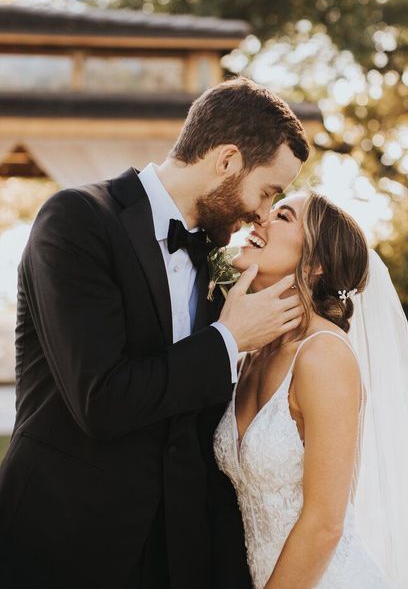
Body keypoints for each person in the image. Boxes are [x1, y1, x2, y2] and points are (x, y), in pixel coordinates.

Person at [0, 77, 309, 589]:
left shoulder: (219, 260)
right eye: (268, 190)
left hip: (170, 553)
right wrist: (229, 341)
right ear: (227, 160)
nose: (262, 213)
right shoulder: (77, 220)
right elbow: (101, 399)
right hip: (63, 539)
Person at [214, 192, 408, 589]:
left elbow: (324, 525)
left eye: (282, 216)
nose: (260, 219)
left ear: (316, 263)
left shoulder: (323, 356)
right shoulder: (250, 352)